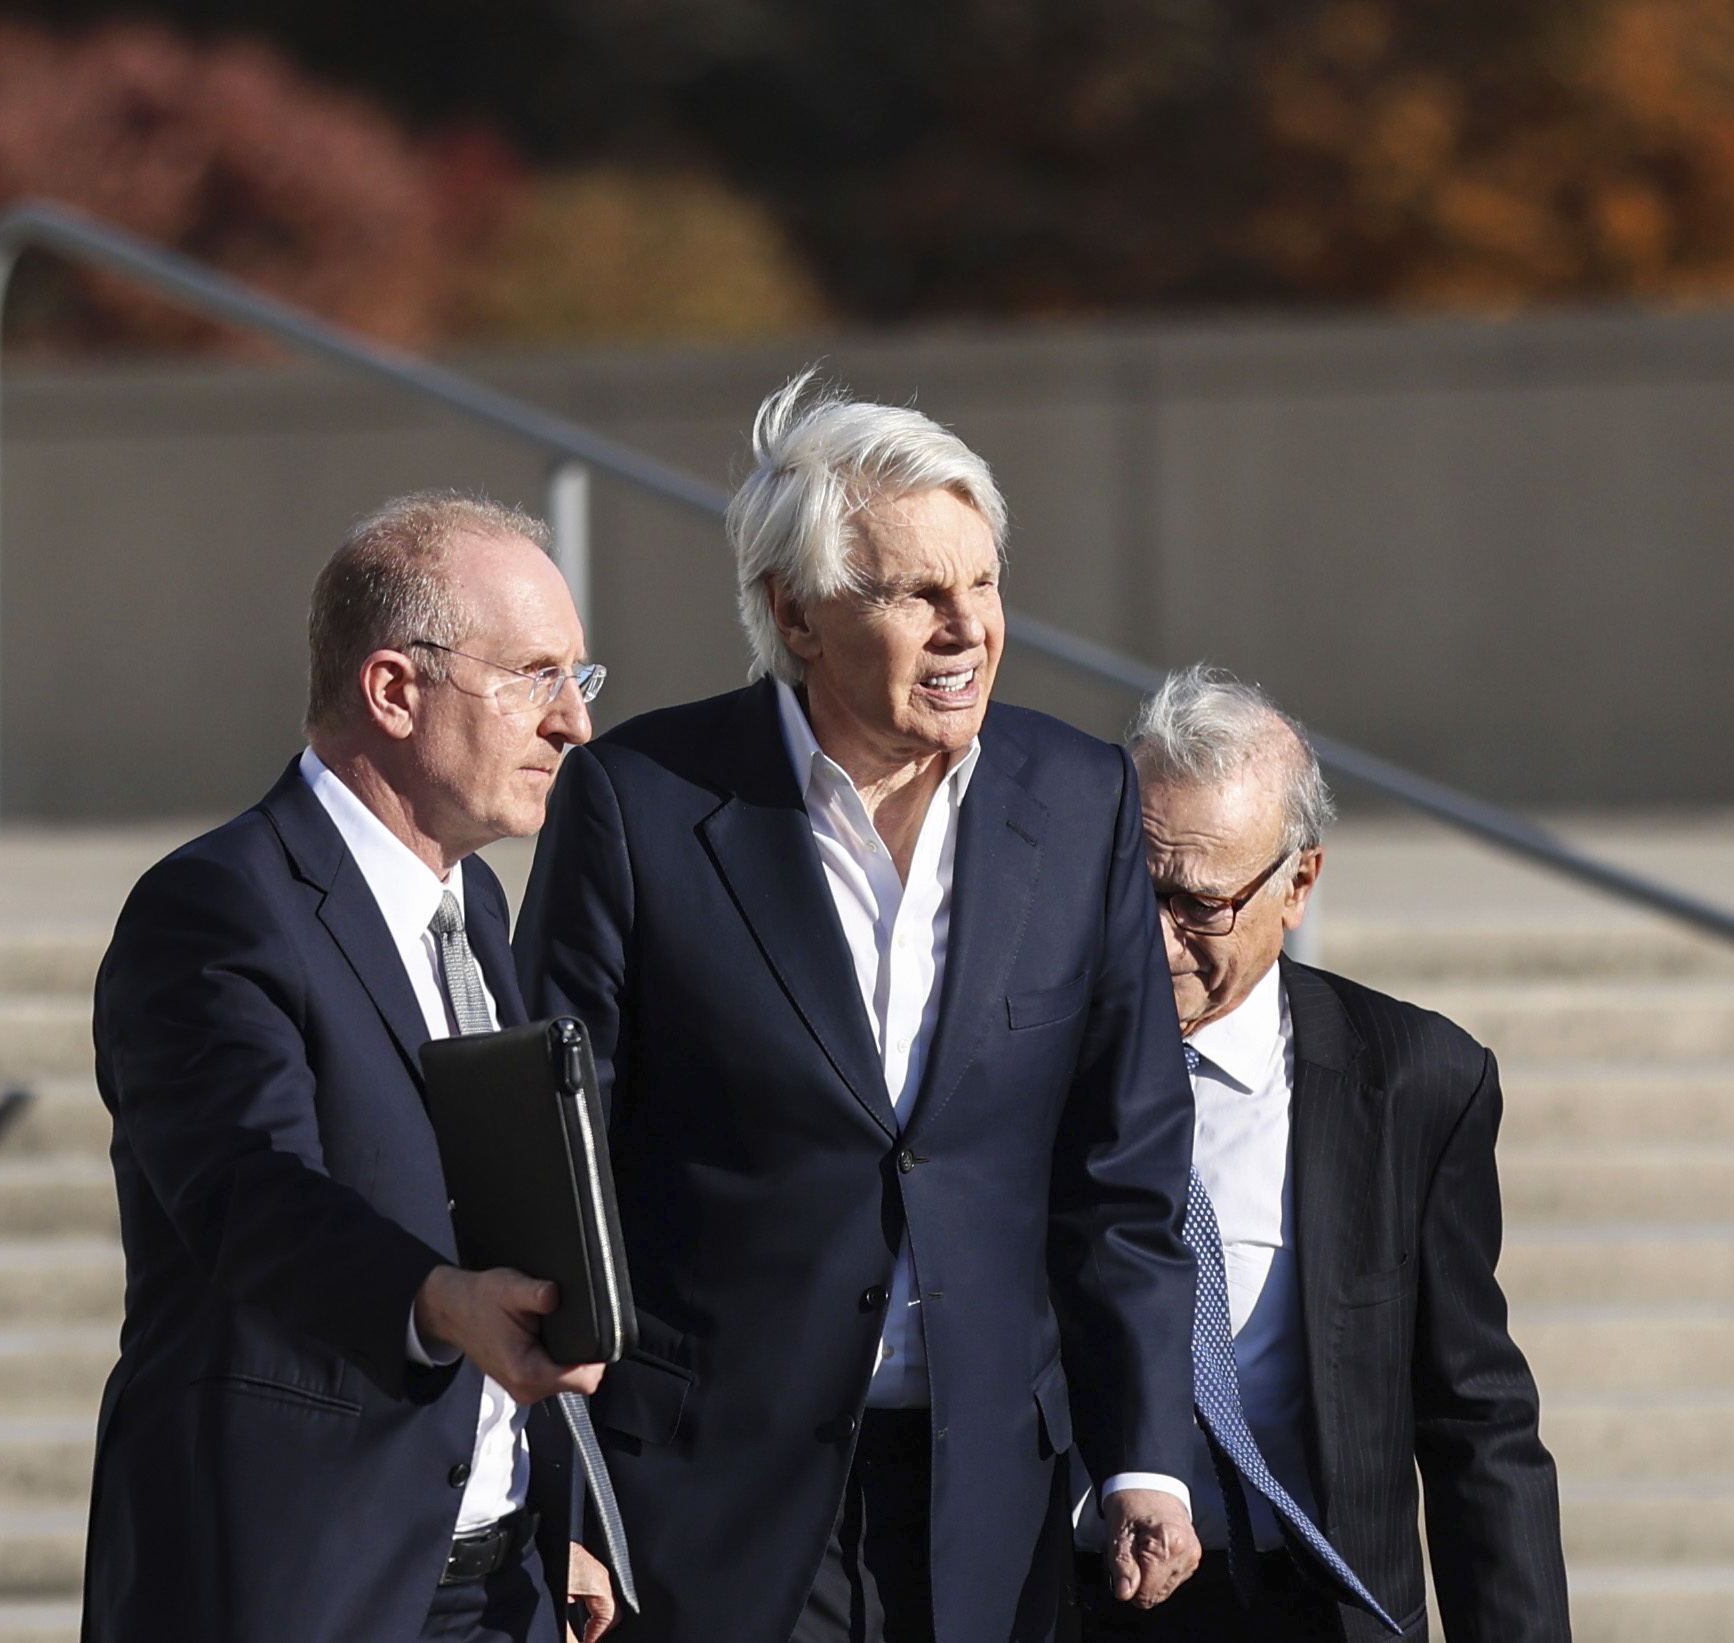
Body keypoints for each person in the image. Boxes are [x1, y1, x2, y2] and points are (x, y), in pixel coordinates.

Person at [514, 372, 1201, 1643]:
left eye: (983, 583)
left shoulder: (1080, 794)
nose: (968, 627)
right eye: (916, 593)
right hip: (708, 1497)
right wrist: (565, 1485)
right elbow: (559, 1174)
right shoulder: (637, 801)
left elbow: (1126, 1166)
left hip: (992, 1495)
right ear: (797, 611)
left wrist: (1145, 1450)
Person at [84, 492, 622, 1643]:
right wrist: (437, 1299)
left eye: (579, 677)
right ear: (392, 689)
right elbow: (248, 1193)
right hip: (297, 1580)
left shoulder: (472, 898)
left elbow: (499, 1206)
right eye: (534, 675)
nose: (572, 721)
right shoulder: (218, 906)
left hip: (500, 1581)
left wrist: (553, 1510)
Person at [1074, 665, 1571, 1643]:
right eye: (1130, 889)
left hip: (1315, 1602)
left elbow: (1477, 1424)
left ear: (1298, 883)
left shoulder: (1415, 1081)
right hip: (1075, 1600)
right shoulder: (1026, 1058)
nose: (1156, 940)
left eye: (1199, 904)